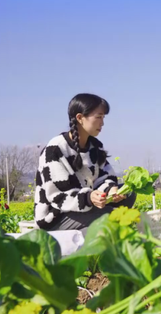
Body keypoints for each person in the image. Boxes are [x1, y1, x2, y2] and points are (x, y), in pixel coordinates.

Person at [34, 93, 136, 231]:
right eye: (98, 117)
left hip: (83, 205)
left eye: (103, 117)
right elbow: (58, 196)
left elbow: (105, 176)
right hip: (57, 215)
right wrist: (89, 197)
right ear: (80, 118)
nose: (102, 123)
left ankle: (95, 231)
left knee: (129, 193)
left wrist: (111, 189)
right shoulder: (55, 149)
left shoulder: (95, 146)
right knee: (112, 217)